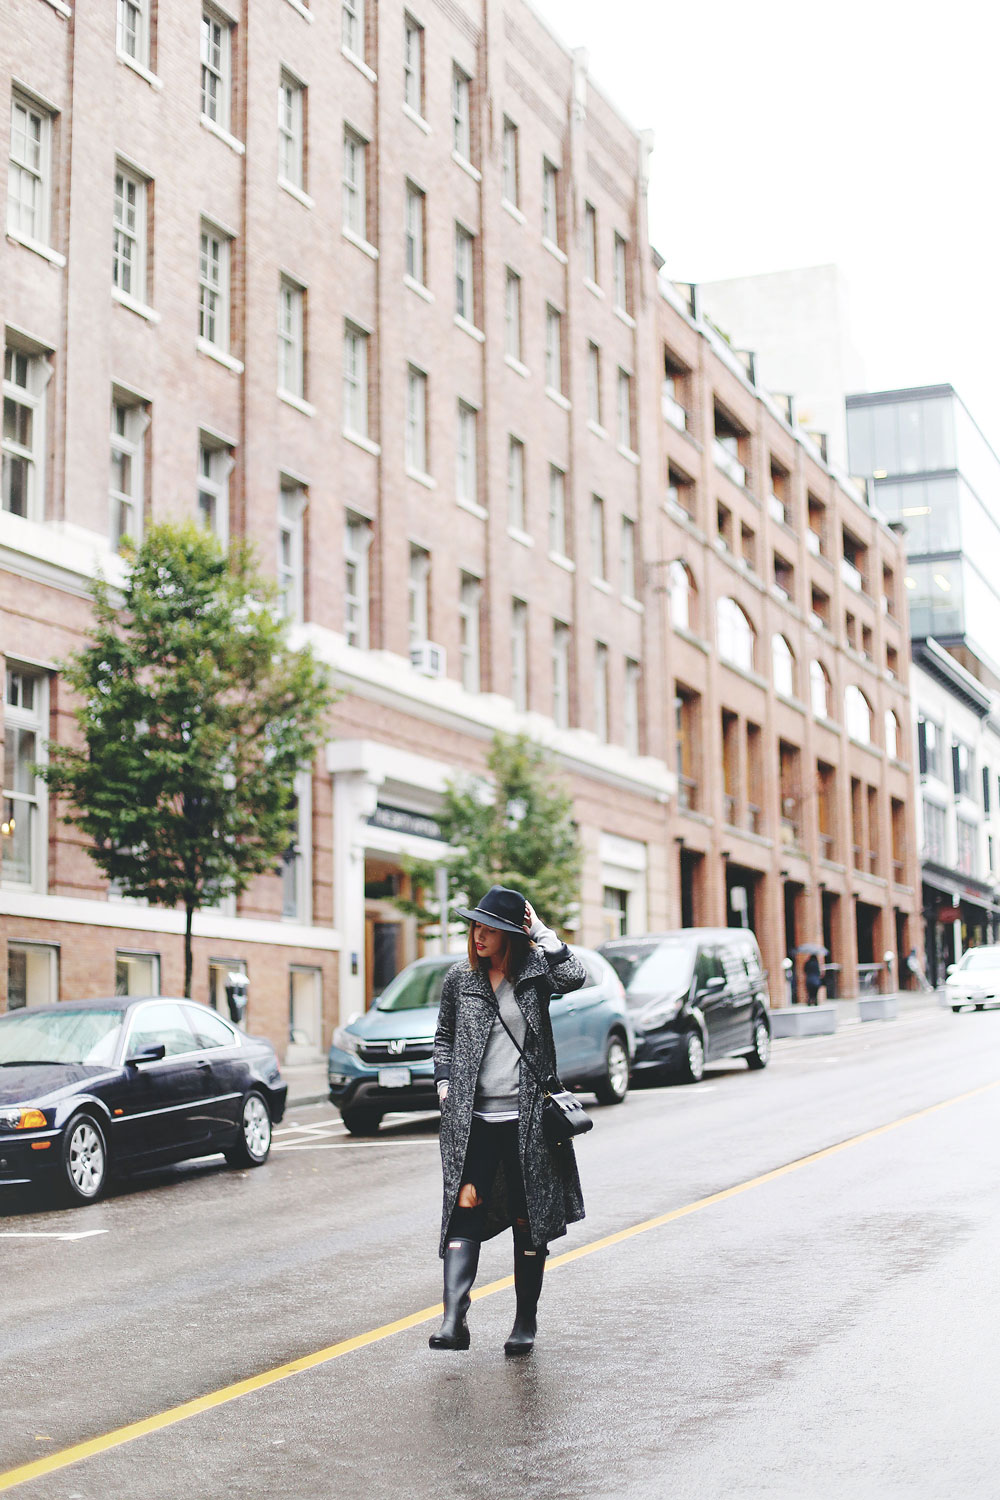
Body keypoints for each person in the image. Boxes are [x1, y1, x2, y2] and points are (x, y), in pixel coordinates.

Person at [429, 884, 587, 1357]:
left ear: (509, 934)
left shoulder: (536, 973)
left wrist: (539, 929)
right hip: (473, 1121)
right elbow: (442, 1037)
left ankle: (524, 1322)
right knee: (465, 1209)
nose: (478, 935)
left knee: (528, 1218)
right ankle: (454, 1320)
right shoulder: (461, 979)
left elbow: (575, 974)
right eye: (475, 926)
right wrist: (444, 1085)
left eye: (489, 928)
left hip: (529, 1123)